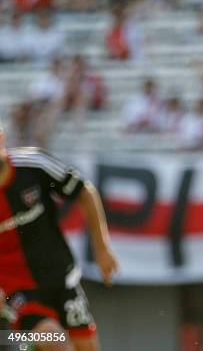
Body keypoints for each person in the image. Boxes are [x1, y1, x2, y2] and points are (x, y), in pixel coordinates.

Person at [0, 119, 118, 351]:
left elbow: (84, 191)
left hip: (62, 279)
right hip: (18, 291)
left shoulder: (34, 164)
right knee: (58, 343)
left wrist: (102, 248)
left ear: (1, 138)